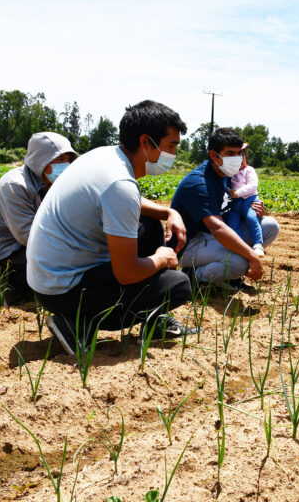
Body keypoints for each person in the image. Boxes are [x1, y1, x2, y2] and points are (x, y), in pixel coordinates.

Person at [27, 100, 197, 354]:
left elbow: (123, 200)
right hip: (63, 289)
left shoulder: (104, 156)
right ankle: (77, 324)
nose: (173, 155)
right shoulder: (119, 184)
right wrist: (161, 259)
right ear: (146, 142)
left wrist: (168, 212)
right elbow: (126, 273)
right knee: (178, 285)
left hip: (48, 278)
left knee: (150, 225)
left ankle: (152, 322)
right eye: (171, 146)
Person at [171, 127, 279, 288]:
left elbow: (234, 205)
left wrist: (252, 206)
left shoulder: (226, 175)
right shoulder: (199, 183)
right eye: (230, 153)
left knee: (271, 226)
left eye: (239, 153)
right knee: (240, 262)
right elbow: (218, 228)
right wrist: (252, 256)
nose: (236, 158)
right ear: (214, 155)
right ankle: (193, 275)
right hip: (190, 244)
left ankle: (228, 276)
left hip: (212, 237)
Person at [0, 132, 77, 305]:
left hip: (32, 244)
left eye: (68, 159)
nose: (66, 165)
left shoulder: (52, 184)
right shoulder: (15, 186)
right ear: (41, 160)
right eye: (60, 159)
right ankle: (10, 284)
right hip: (4, 253)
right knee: (62, 262)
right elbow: (28, 236)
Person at [226, 147, 265, 257]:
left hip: (249, 200)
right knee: (232, 223)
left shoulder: (249, 170)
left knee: (252, 217)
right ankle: (242, 247)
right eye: (237, 157)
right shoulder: (229, 173)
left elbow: (253, 186)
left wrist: (237, 193)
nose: (241, 159)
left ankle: (258, 244)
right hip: (236, 203)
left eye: (242, 156)